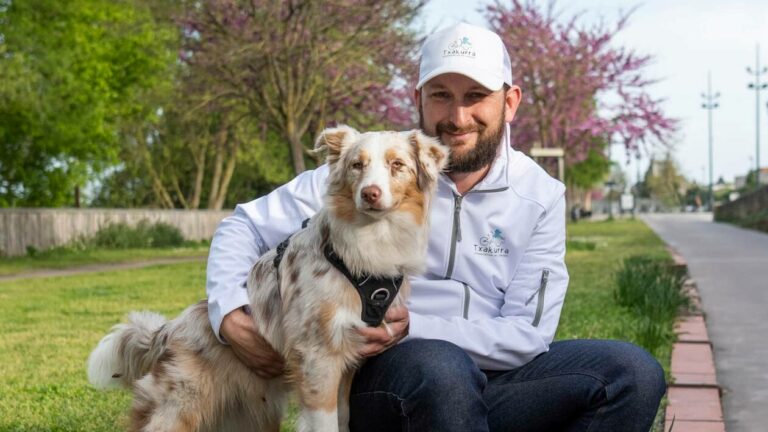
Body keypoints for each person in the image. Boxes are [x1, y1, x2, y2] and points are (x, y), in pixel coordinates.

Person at [206, 22, 666, 432]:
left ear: (510, 102)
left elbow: (529, 334)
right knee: (441, 369)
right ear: (418, 100)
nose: (457, 117)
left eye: (475, 96)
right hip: (391, 380)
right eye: (441, 94)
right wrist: (228, 315)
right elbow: (242, 226)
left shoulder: (540, 195)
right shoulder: (373, 169)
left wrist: (418, 325)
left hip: (496, 380)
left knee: (633, 372)